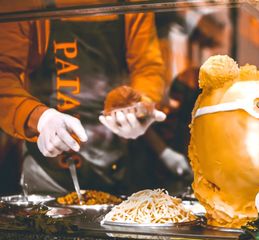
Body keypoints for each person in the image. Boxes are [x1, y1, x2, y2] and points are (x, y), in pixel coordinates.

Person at [0, 12, 167, 194]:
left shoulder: (132, 5)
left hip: (116, 157)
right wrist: (41, 119)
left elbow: (147, 67)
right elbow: (3, 75)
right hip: (46, 170)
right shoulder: (26, 4)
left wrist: (140, 106)